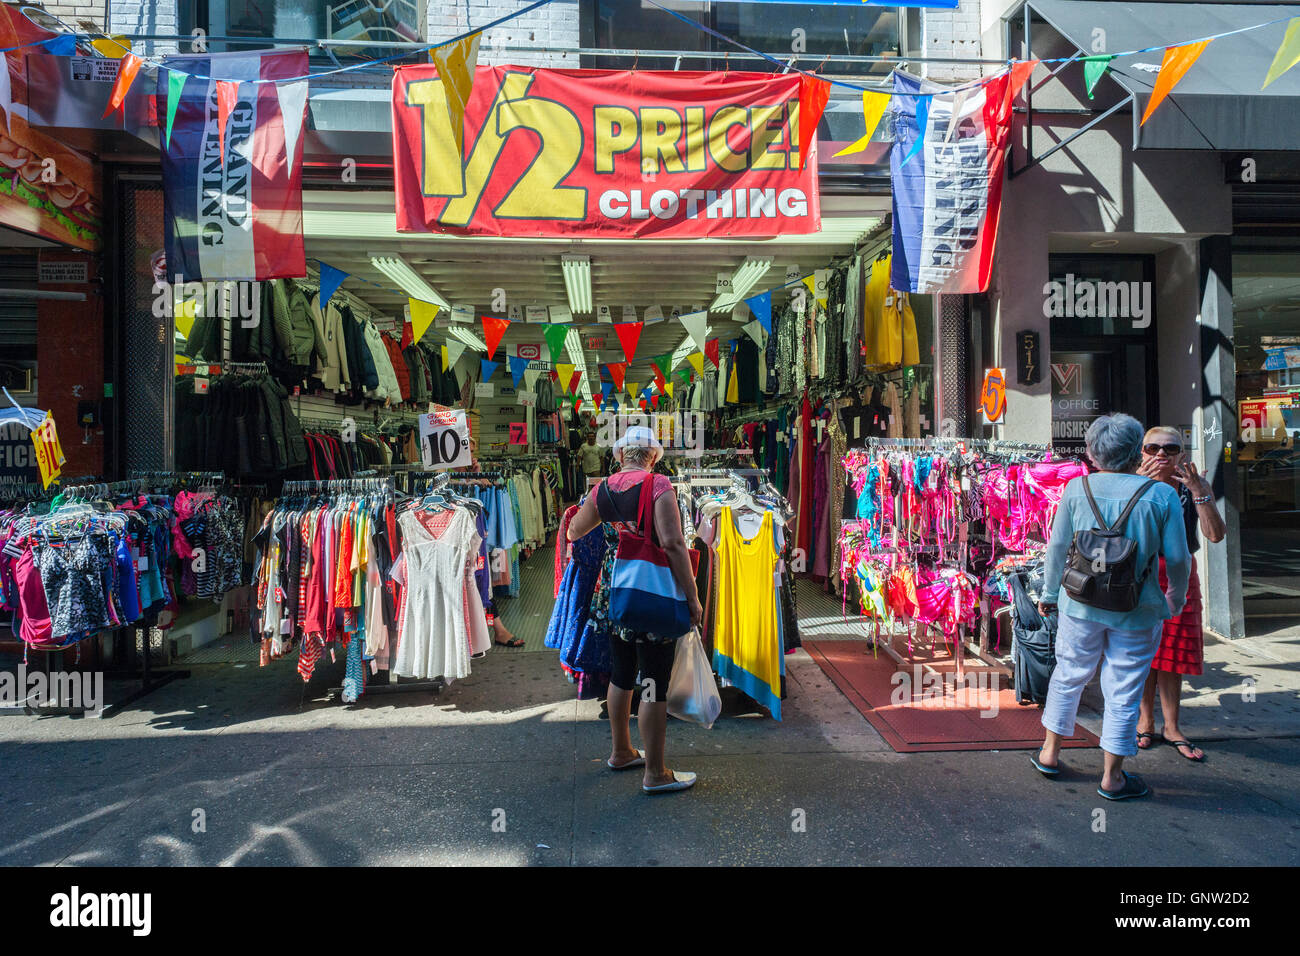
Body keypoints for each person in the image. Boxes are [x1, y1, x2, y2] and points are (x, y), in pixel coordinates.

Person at [1033, 413, 1191, 800]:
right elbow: (1179, 558)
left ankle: (1050, 753)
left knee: (1069, 674)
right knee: (1123, 687)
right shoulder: (1161, 495)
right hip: (1137, 608)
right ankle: (1112, 777)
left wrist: (1050, 594)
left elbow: (1056, 548)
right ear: (1136, 451)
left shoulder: (1076, 488)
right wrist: (1175, 599)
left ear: (1091, 452)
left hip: (1080, 601)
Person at [566, 425, 704, 794]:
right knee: (654, 680)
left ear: (621, 455)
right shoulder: (659, 486)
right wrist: (692, 598)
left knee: (621, 672)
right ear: (653, 456)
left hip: (614, 591)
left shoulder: (603, 489)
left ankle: (621, 751)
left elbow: (573, 531)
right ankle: (656, 773)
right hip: (651, 589)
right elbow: (674, 544)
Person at [1135, 426, 1226, 760]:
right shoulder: (1133, 484)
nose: (1161, 454)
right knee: (1143, 652)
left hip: (1179, 574)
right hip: (1140, 575)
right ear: (1141, 453)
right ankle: (1145, 720)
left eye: (1170, 449)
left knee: (1172, 654)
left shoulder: (1192, 490)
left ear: (1181, 455)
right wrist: (1141, 485)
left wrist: (1201, 492)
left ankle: (1171, 726)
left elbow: (1215, 535)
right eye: (1153, 447)